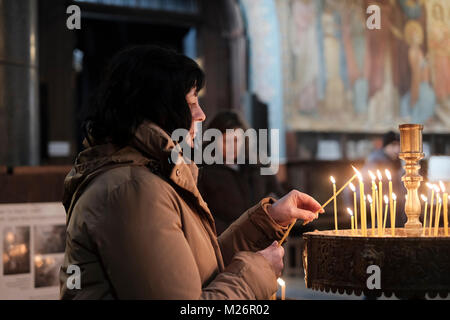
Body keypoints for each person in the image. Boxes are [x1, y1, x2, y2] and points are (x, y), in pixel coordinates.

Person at [59, 46, 322, 299]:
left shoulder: (151, 178)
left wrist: (270, 219)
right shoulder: (131, 191)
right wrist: (257, 273)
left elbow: (198, 268)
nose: (201, 114)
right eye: (192, 102)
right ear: (160, 110)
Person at [198, 111, 285, 235]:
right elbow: (203, 215)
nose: (232, 147)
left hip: (262, 236)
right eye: (226, 141)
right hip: (224, 240)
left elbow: (278, 195)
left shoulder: (258, 165)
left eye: (236, 140)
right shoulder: (202, 171)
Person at [363, 131, 406, 227]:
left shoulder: (400, 163)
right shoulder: (374, 163)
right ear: (385, 146)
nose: (397, 149)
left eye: (399, 145)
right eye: (393, 145)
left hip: (398, 215)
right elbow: (365, 189)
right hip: (380, 217)